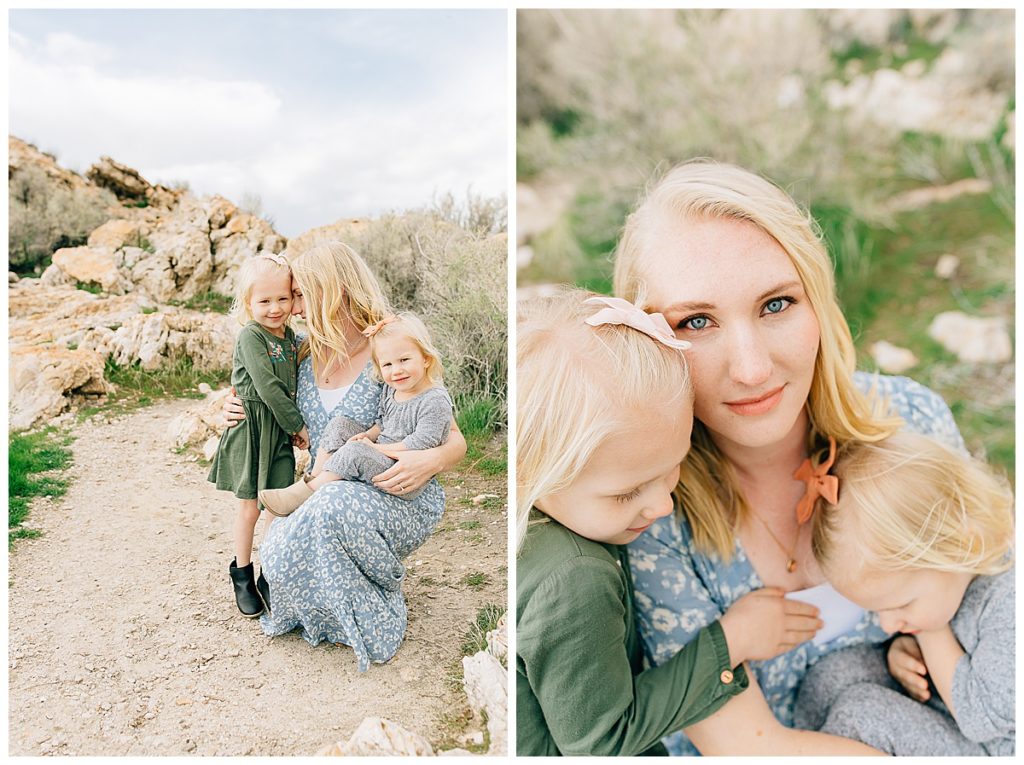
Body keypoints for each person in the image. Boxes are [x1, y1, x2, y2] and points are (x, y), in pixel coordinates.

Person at [613, 160, 965, 754]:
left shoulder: (914, 423)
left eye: (776, 304)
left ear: (817, 301)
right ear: (645, 340)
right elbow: (747, 745)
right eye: (697, 321)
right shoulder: (648, 507)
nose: (751, 369)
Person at [516, 289, 838, 756]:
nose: (662, 506)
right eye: (627, 492)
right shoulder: (576, 578)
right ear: (532, 475)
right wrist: (730, 643)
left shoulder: (564, 521)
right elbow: (600, 743)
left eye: (673, 467)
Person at [222, 241, 467, 671]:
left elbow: (452, 434)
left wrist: (432, 461)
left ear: (329, 292)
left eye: (299, 295)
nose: (291, 306)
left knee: (330, 506)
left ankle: (370, 615)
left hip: (393, 486)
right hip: (327, 484)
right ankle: (324, 606)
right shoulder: (301, 353)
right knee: (277, 555)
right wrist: (229, 406)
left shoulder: (386, 347)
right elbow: (257, 385)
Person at [792, 431, 1014, 755]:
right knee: (834, 675)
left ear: (965, 544)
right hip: (944, 708)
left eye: (901, 604)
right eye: (878, 609)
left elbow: (982, 715)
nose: (885, 624)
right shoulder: (943, 585)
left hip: (993, 746)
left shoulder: (1010, 602)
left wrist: (928, 631)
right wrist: (904, 651)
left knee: (863, 716)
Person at [258, 311, 453, 515]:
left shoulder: (434, 399)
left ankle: (307, 494)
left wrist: (375, 449)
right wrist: (369, 436)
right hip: (382, 457)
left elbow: (423, 443)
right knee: (340, 424)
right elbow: (383, 422)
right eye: (388, 364)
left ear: (426, 359)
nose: (396, 370)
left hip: (402, 475)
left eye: (404, 360)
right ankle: (314, 477)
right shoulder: (393, 389)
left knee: (355, 451)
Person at [207, 253, 310, 618]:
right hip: (251, 429)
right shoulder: (251, 336)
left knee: (278, 507)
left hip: (277, 432)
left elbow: (298, 381)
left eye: (283, 298)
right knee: (249, 508)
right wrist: (299, 426)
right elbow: (266, 387)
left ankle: (271, 572)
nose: (274, 308)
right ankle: (242, 573)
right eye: (264, 301)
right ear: (248, 303)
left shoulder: (293, 337)